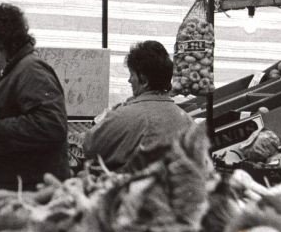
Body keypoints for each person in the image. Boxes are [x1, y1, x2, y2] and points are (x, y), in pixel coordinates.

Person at [0, 2, 69, 196]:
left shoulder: (31, 70)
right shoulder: (3, 75)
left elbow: (52, 125)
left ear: (3, 37)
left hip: (22, 201)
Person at [83, 40, 197, 171]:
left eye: (132, 74)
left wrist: (105, 119)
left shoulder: (123, 116)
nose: (129, 80)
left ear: (143, 80)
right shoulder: (187, 120)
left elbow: (90, 147)